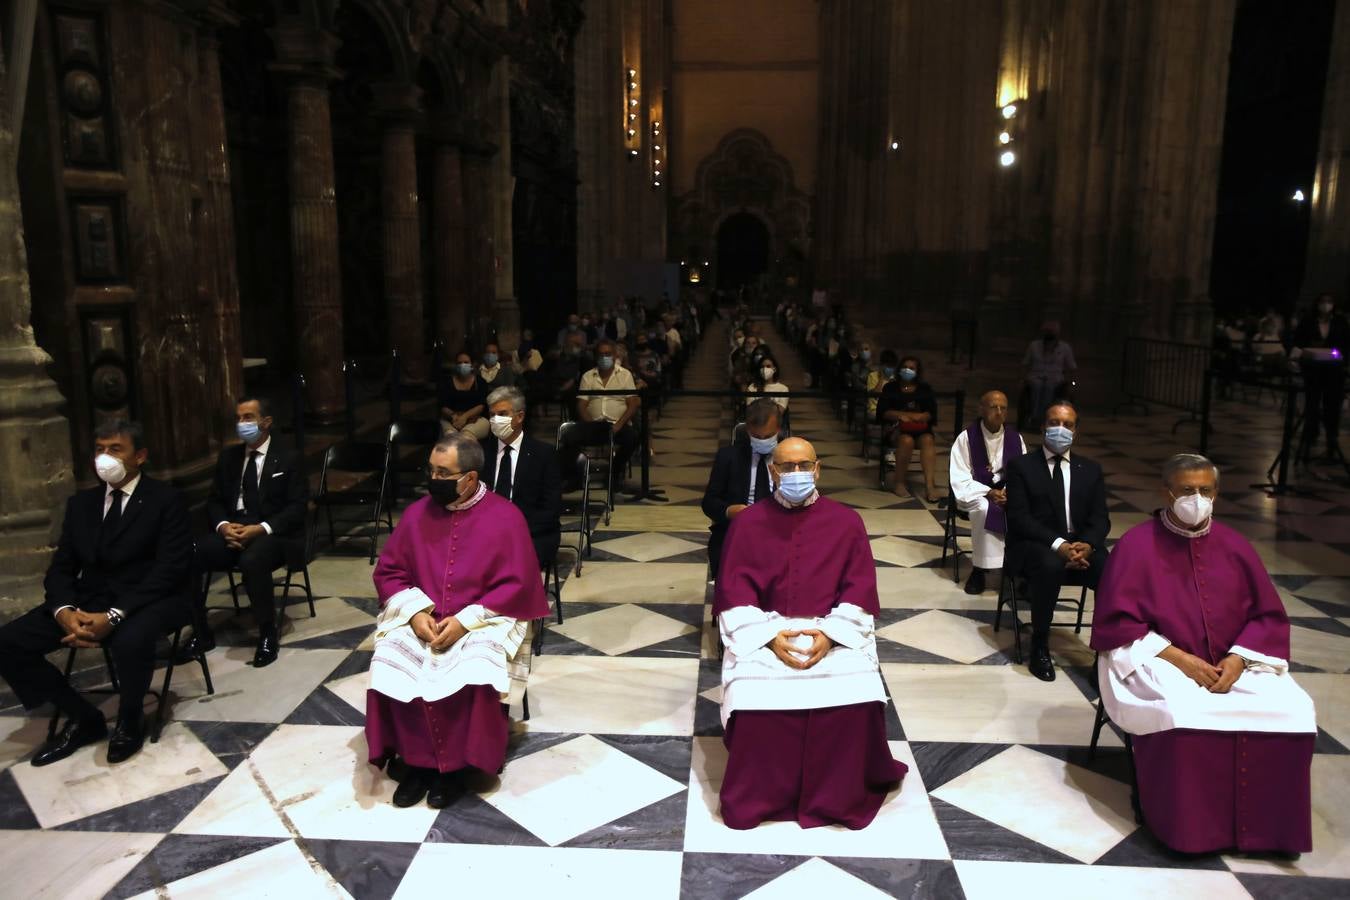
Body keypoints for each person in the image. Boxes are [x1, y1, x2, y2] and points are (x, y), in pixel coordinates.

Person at [1091, 453, 1316, 855]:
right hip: (1155, 657)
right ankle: (1190, 831)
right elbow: (1117, 626)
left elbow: (1266, 616)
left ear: (1218, 493)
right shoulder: (1136, 545)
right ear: (1167, 492)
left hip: (1231, 661)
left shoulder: (1235, 546)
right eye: (1186, 490)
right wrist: (1182, 660)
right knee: (1179, 709)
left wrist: (1239, 658)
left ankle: (1271, 831)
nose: (1196, 498)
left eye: (1205, 490)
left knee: (1293, 707)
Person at [714, 437, 907, 830]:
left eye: (804, 466)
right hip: (766, 631)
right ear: (773, 472)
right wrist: (769, 636)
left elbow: (859, 588)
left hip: (830, 629)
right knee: (756, 702)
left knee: (855, 703)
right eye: (787, 467)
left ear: (817, 469)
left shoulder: (847, 521)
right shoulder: (748, 523)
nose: (796, 474)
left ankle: (837, 797)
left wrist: (832, 634)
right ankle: (763, 796)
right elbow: (734, 590)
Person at [365, 433, 552, 808]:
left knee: (475, 663)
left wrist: (465, 622)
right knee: (391, 653)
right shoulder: (418, 514)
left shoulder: (505, 516)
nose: (433, 478)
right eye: (431, 470)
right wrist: (416, 613)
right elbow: (390, 571)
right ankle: (416, 762)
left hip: (484, 617)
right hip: (423, 615)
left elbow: (519, 584)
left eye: (443, 472)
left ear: (469, 478)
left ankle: (456, 769)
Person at [0, 420, 191, 766]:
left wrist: (115, 616)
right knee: (9, 641)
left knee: (130, 640)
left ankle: (131, 718)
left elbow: (169, 570)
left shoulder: (166, 499)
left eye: (115, 449)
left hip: (151, 599)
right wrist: (65, 611)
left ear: (140, 456)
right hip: (90, 600)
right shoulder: (82, 504)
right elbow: (61, 567)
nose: (104, 457)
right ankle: (83, 717)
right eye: (100, 449)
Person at [192, 397, 309, 666]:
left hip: (273, 533)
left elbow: (297, 507)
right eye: (238, 418)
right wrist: (223, 526)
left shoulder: (289, 457)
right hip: (235, 528)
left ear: (266, 422)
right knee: (192, 553)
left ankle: (267, 633)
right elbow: (215, 500)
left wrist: (261, 529)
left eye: (247, 417)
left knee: (252, 560)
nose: (241, 424)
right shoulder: (229, 457)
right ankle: (201, 631)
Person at [1005, 401, 1109, 681]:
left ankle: (1104, 651)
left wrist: (1087, 544)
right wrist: (1058, 544)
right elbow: (1019, 519)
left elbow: (1101, 519)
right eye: (1054, 423)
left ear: (1076, 431)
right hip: (1034, 544)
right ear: (1043, 427)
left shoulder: (1090, 469)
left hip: (1078, 545)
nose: (1060, 429)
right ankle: (1040, 642)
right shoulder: (1021, 467)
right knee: (1049, 565)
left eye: (1068, 425)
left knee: (1109, 567)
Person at [949, 391, 1027, 595]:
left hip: (1007, 494)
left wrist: (1009, 492)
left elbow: (1024, 473)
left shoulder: (1016, 439)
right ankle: (980, 570)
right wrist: (988, 492)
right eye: (994, 407)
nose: (999, 412)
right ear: (981, 409)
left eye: (1003, 408)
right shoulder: (966, 438)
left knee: (1027, 510)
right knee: (984, 509)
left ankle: (1018, 569)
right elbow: (960, 477)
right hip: (975, 494)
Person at [478, 386, 562, 568]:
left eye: (502, 413)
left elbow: (551, 508)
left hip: (531, 533)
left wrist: (514, 531)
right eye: (492, 415)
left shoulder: (544, 454)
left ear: (520, 416)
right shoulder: (481, 453)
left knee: (510, 567)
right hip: (486, 533)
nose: (495, 420)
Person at [701, 399, 782, 578]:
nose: (762, 441)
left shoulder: (790, 457)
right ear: (748, 431)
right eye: (757, 436)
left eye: (767, 436)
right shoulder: (728, 456)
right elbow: (709, 502)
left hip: (779, 530)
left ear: (778, 430)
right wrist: (730, 511)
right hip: (737, 530)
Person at [575, 338, 640, 492]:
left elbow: (633, 403)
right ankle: (574, 477)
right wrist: (591, 425)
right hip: (593, 425)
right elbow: (581, 405)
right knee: (569, 438)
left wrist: (619, 424)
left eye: (608, 354)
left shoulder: (625, 375)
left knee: (632, 438)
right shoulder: (587, 376)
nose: (605, 357)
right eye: (601, 354)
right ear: (596, 356)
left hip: (617, 425)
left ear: (614, 355)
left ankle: (613, 473)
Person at [1291, 293, 1350, 462]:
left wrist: (1341, 358)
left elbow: (1346, 344)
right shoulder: (1308, 321)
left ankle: (1332, 443)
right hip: (1313, 369)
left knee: (1332, 406)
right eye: (1323, 301)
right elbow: (1298, 341)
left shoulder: (1340, 322)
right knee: (1312, 404)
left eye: (1329, 302)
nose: (1326, 305)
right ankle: (1309, 438)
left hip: (1334, 370)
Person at [876, 355, 942, 502]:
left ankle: (930, 486)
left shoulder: (925, 389)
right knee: (906, 441)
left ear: (917, 371)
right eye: (905, 367)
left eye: (912, 368)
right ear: (900, 369)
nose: (908, 370)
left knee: (928, 439)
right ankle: (899, 482)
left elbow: (930, 413)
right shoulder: (890, 387)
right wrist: (902, 415)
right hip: (896, 430)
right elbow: (883, 412)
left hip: (920, 430)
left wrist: (918, 417)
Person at [1022, 321, 1077, 427]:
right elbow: (1025, 363)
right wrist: (1021, 379)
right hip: (1036, 376)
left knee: (1048, 388)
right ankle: (1034, 417)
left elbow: (1072, 367)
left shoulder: (1065, 348)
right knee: (1036, 387)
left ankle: (1044, 417)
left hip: (1055, 378)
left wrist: (1072, 383)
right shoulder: (1034, 346)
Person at [439, 350, 489, 439]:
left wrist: (465, 417)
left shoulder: (480, 382)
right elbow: (443, 406)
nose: (462, 365)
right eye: (459, 363)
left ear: (472, 365)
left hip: (476, 419)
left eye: (466, 362)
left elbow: (481, 405)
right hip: (452, 420)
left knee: (466, 437)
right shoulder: (446, 383)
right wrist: (454, 416)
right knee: (451, 438)